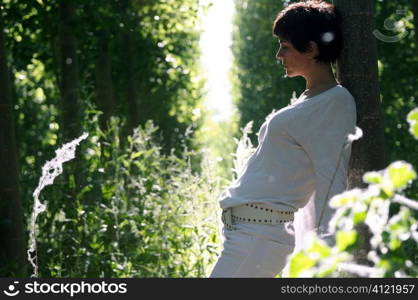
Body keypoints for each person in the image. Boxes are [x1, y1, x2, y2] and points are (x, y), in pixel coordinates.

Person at [209, 0, 357, 278]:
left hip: (260, 238)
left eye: (285, 46)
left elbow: (332, 178)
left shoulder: (335, 103)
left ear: (311, 49)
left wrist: (325, 257)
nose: (279, 55)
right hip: (250, 235)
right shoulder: (310, 99)